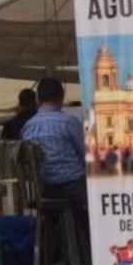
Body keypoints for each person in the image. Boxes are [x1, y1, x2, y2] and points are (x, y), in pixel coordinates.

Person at [21, 78, 88, 212]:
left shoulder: (27, 127)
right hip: (73, 186)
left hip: (44, 188)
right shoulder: (69, 122)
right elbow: (85, 153)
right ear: (61, 97)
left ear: (38, 100)